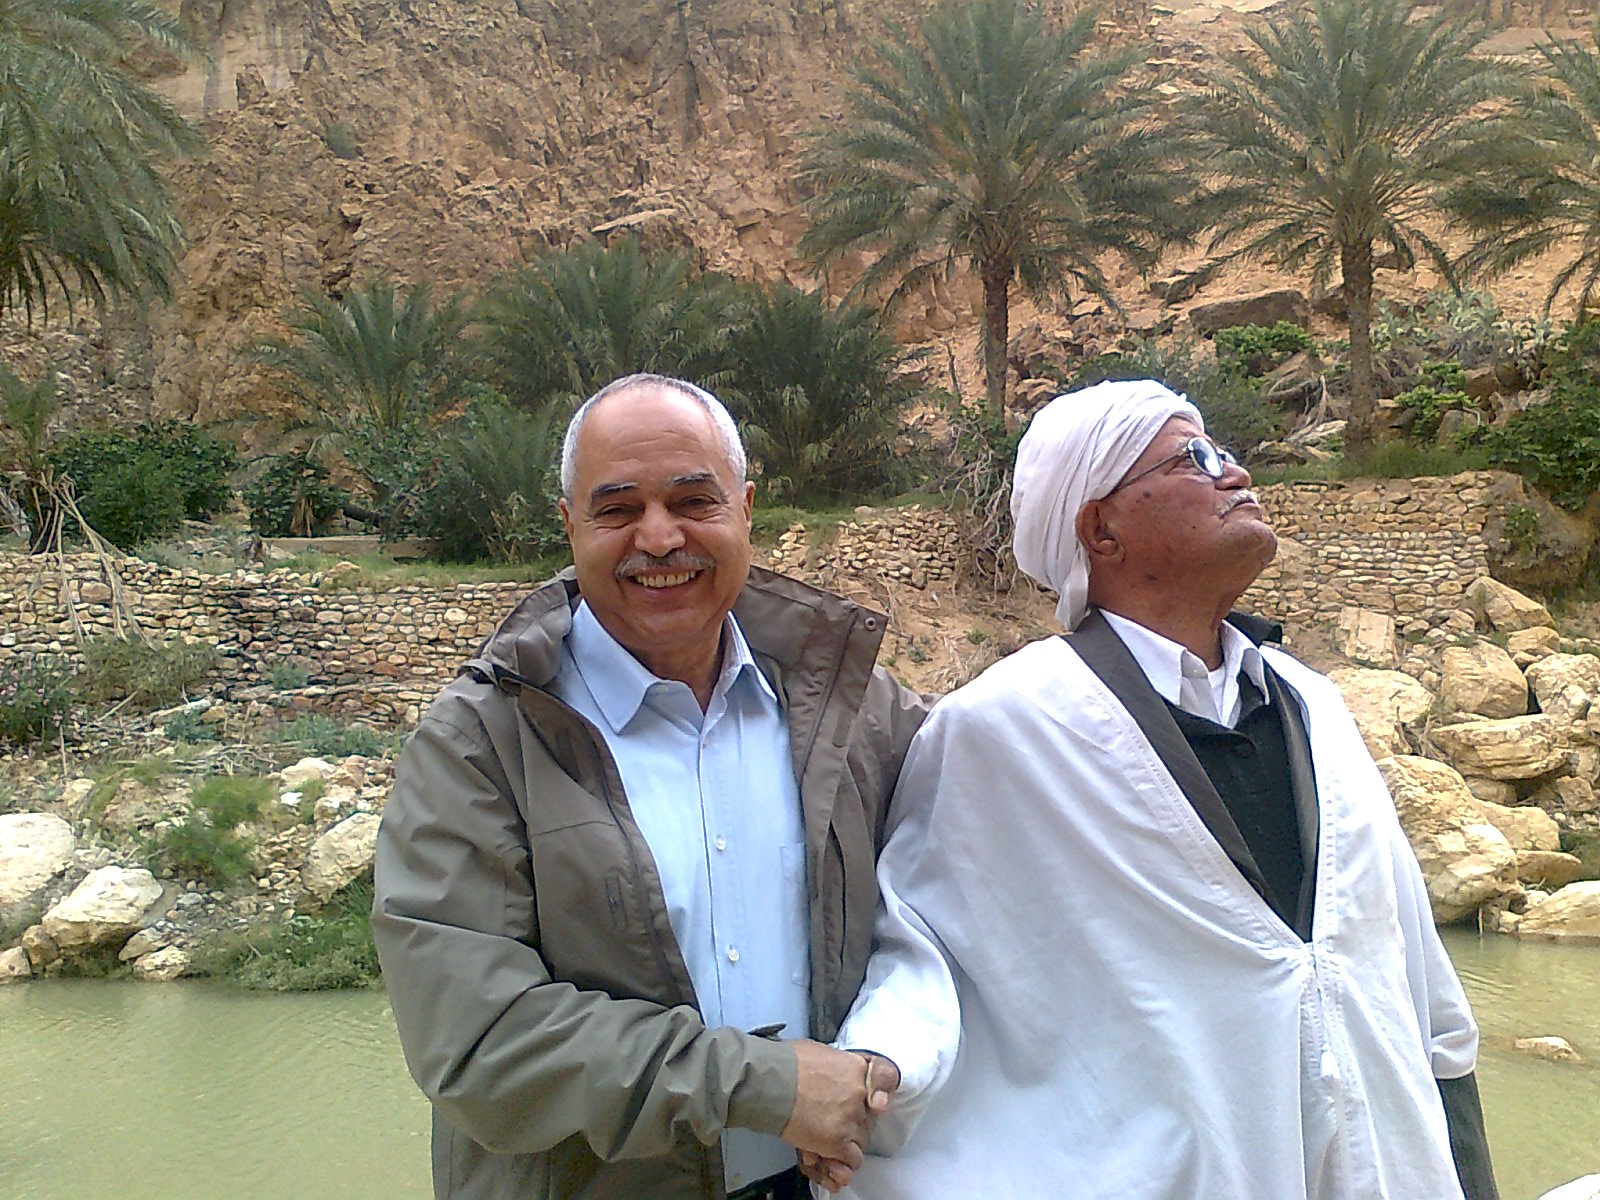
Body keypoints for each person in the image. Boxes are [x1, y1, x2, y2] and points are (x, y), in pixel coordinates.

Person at [814, 380, 1498, 1199]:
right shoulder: (1002, 729)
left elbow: (1414, 969)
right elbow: (926, 952)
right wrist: (878, 1069)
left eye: (1227, 452)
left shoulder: (1313, 699)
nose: (1235, 473)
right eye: (1193, 458)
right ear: (1100, 527)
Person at [372, 373, 927, 1200]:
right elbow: (479, 1042)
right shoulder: (482, 742)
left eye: (693, 501)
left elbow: (952, 892)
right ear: (569, 524)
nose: (659, 538)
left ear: (745, 507)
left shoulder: (851, 713)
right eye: (618, 508)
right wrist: (761, 1086)